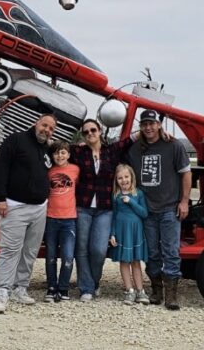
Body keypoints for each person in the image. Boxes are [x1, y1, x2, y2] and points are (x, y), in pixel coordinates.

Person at [0, 113, 57, 314]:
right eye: (45, 125)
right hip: (14, 206)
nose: (47, 130)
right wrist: (1, 198)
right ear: (36, 122)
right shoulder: (16, 140)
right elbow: (0, 168)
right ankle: (2, 291)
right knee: (10, 250)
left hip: (39, 208)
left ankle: (21, 288)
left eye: (51, 128)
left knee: (30, 251)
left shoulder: (47, 148)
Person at [127, 110, 191, 310]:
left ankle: (171, 295)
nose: (148, 127)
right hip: (146, 210)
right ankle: (156, 290)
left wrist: (184, 201)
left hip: (169, 208)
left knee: (171, 251)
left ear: (159, 124)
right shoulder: (135, 149)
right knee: (152, 252)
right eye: (144, 124)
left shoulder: (174, 146)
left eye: (152, 123)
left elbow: (186, 173)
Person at [70, 119, 134, 302]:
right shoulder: (78, 152)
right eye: (86, 132)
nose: (90, 134)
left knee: (98, 249)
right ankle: (86, 289)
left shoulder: (111, 151)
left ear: (100, 131)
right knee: (81, 249)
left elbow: (130, 140)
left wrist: (161, 132)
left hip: (105, 208)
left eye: (93, 130)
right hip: (82, 206)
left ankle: (94, 282)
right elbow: (56, 148)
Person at [108, 164, 150, 305]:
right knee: (124, 261)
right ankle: (129, 290)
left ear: (132, 177)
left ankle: (140, 290)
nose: (123, 180)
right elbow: (113, 216)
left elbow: (144, 213)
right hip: (121, 231)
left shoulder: (138, 194)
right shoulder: (115, 195)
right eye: (120, 178)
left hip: (135, 231)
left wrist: (131, 201)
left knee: (135, 261)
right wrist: (112, 233)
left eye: (126, 177)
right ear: (116, 180)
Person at [43, 140, 79, 302]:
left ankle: (63, 288)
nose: (60, 155)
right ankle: (51, 287)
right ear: (53, 155)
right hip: (51, 218)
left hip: (69, 219)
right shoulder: (48, 171)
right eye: (57, 152)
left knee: (68, 256)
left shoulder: (75, 170)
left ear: (69, 154)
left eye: (63, 152)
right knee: (50, 256)